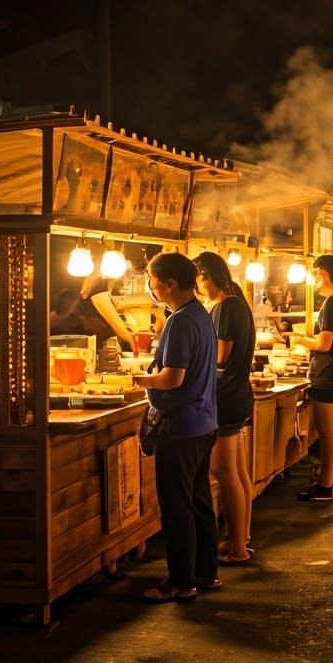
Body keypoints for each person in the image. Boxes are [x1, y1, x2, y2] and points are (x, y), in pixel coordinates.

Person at [133, 253, 220, 601]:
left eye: (152, 281)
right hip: (203, 422)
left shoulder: (180, 321)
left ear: (169, 283)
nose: (150, 288)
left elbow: (172, 378)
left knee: (177, 505)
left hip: (181, 426)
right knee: (199, 500)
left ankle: (182, 582)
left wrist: (141, 380)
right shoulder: (199, 315)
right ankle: (206, 572)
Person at [194, 251, 256, 564]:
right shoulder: (235, 303)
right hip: (236, 395)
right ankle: (240, 538)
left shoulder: (225, 307)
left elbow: (218, 356)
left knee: (223, 471)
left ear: (207, 275)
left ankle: (238, 549)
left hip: (225, 397)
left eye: (198, 277)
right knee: (238, 471)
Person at [291, 255, 333, 501]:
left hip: (326, 373)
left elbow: (324, 343)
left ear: (322, 272)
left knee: (327, 431)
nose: (314, 279)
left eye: (315, 273)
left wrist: (300, 339)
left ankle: (325, 485)